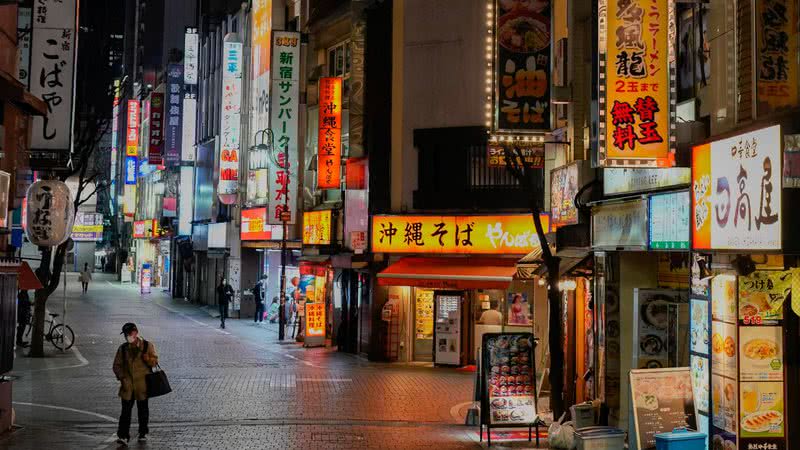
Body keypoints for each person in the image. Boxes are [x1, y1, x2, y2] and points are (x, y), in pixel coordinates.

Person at [113, 323, 158, 445]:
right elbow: (116, 365)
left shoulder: (147, 346)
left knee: (143, 410)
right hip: (127, 387)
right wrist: (122, 377)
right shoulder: (123, 349)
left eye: (129, 334)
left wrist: (147, 359)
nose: (128, 337)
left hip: (142, 386)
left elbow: (154, 362)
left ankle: (143, 432)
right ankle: (123, 435)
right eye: (126, 335)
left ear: (136, 332)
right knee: (125, 412)